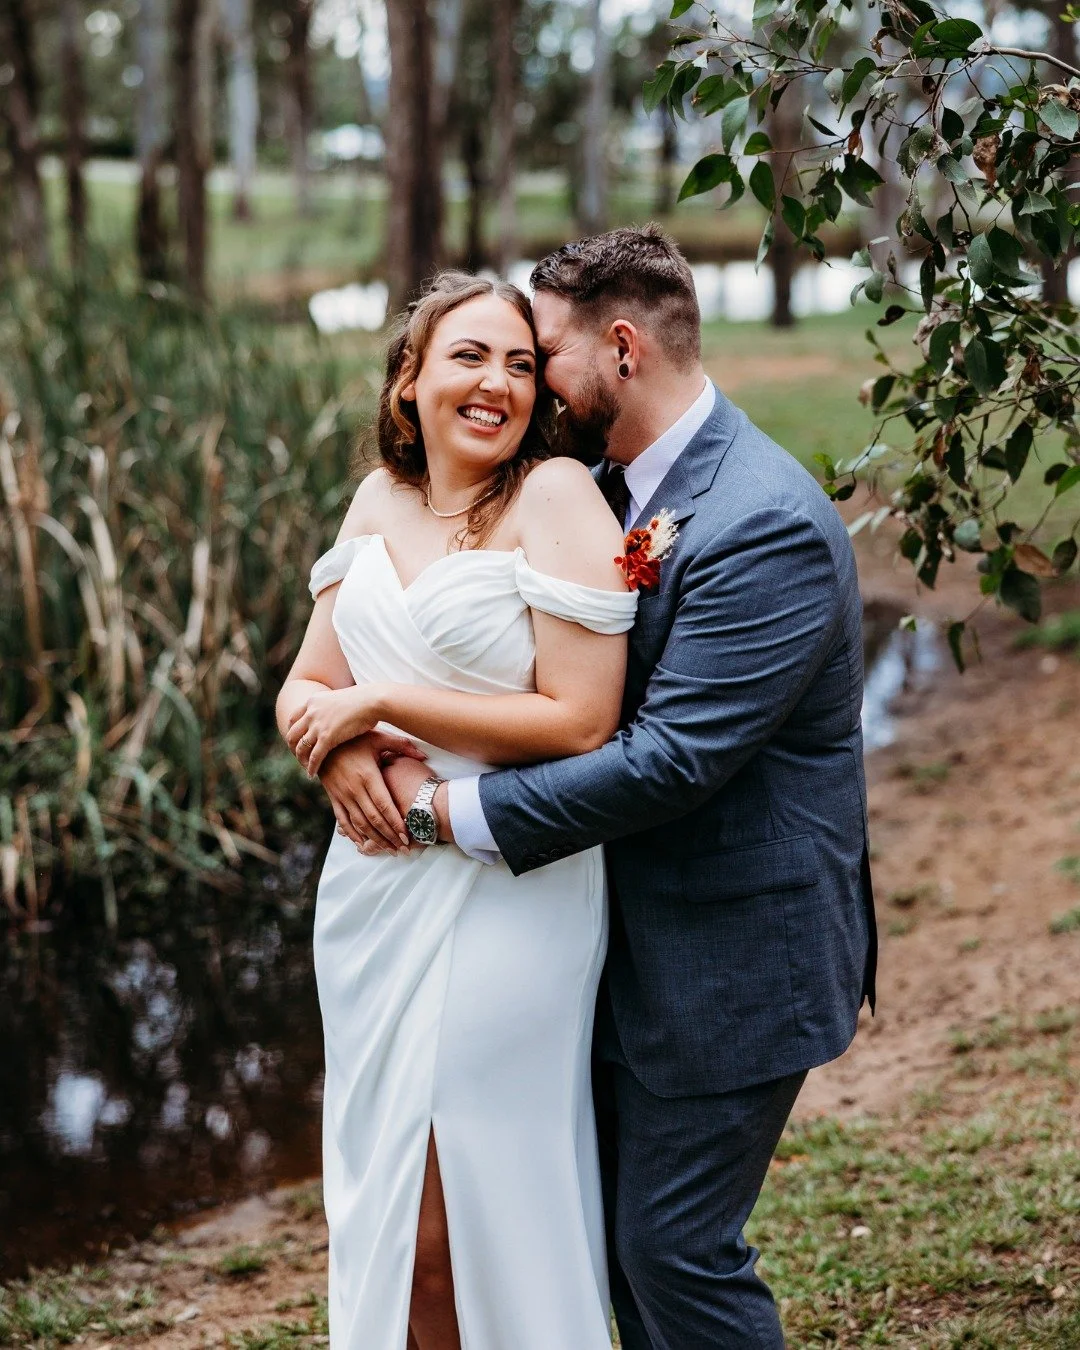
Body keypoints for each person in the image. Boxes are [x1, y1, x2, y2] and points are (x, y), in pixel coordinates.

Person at [347, 225, 878, 1350]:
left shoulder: (763, 520)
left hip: (731, 958)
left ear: (622, 348)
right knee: (610, 1248)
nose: (523, 382)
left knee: (674, 1254)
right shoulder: (591, 483)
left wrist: (440, 810)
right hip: (596, 938)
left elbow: (669, 759)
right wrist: (356, 741)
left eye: (541, 354)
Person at [277, 271, 639, 1350]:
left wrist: (377, 703)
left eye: (522, 364)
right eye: (470, 357)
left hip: (509, 892)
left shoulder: (558, 497)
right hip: (373, 893)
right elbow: (304, 683)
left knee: (476, 1204)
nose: (498, 383)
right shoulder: (377, 504)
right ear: (411, 381)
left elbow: (582, 722)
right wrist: (334, 749)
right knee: (391, 1207)